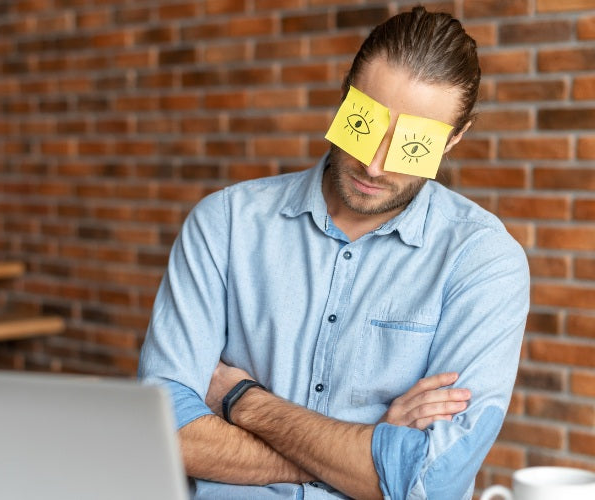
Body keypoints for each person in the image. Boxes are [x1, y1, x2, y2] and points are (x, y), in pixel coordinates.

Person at [138, 6, 530, 500]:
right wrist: (365, 450)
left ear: (454, 138)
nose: (375, 164)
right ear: (344, 95)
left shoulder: (483, 260)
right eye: (365, 123)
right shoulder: (225, 223)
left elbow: (431, 481)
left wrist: (246, 402)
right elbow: (162, 433)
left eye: (414, 142)